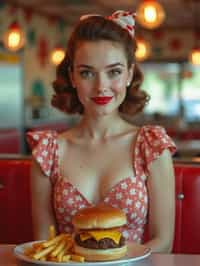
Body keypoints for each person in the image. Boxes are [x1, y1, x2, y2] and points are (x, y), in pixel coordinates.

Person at [27, 10, 176, 253]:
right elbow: (45, 243)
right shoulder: (48, 151)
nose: (101, 86)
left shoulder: (152, 147)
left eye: (114, 71)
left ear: (129, 74)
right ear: (72, 77)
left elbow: (163, 242)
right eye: (87, 72)